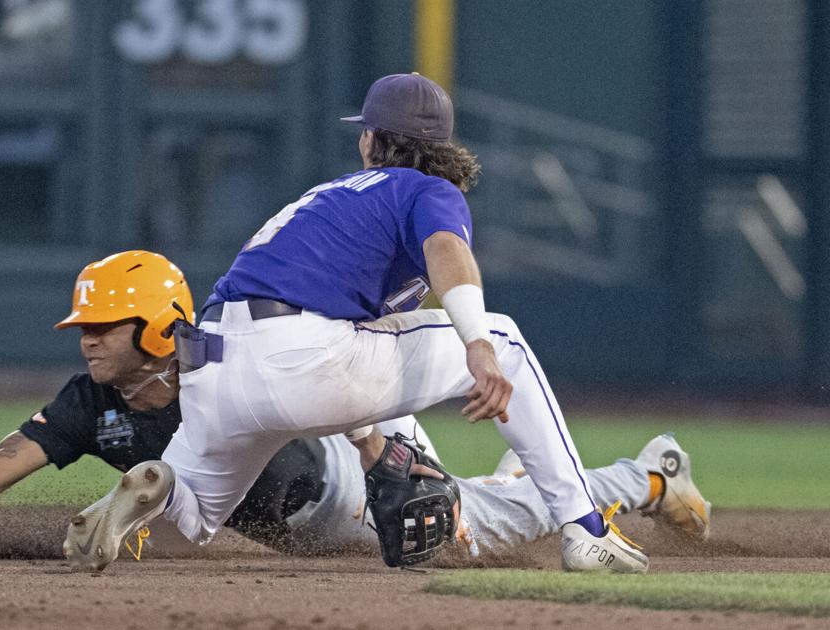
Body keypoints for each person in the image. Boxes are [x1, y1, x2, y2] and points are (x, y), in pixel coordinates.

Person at [63, 74, 661, 573]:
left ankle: (159, 486)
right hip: (302, 356)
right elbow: (448, 252)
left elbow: (368, 333)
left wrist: (370, 431)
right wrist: (476, 345)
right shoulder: (425, 188)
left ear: (371, 139)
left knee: (193, 513)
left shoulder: (330, 197)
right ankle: (585, 529)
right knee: (502, 336)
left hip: (213, 367)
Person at [0, 250, 711, 563]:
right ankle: (149, 504)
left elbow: (309, 381)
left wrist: (382, 452)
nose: (87, 340)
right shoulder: (92, 400)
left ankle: (649, 475)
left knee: (483, 527)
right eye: (84, 325)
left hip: (340, 472)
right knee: (482, 505)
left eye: (107, 326)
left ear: (160, 328)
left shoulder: (219, 354)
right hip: (293, 500)